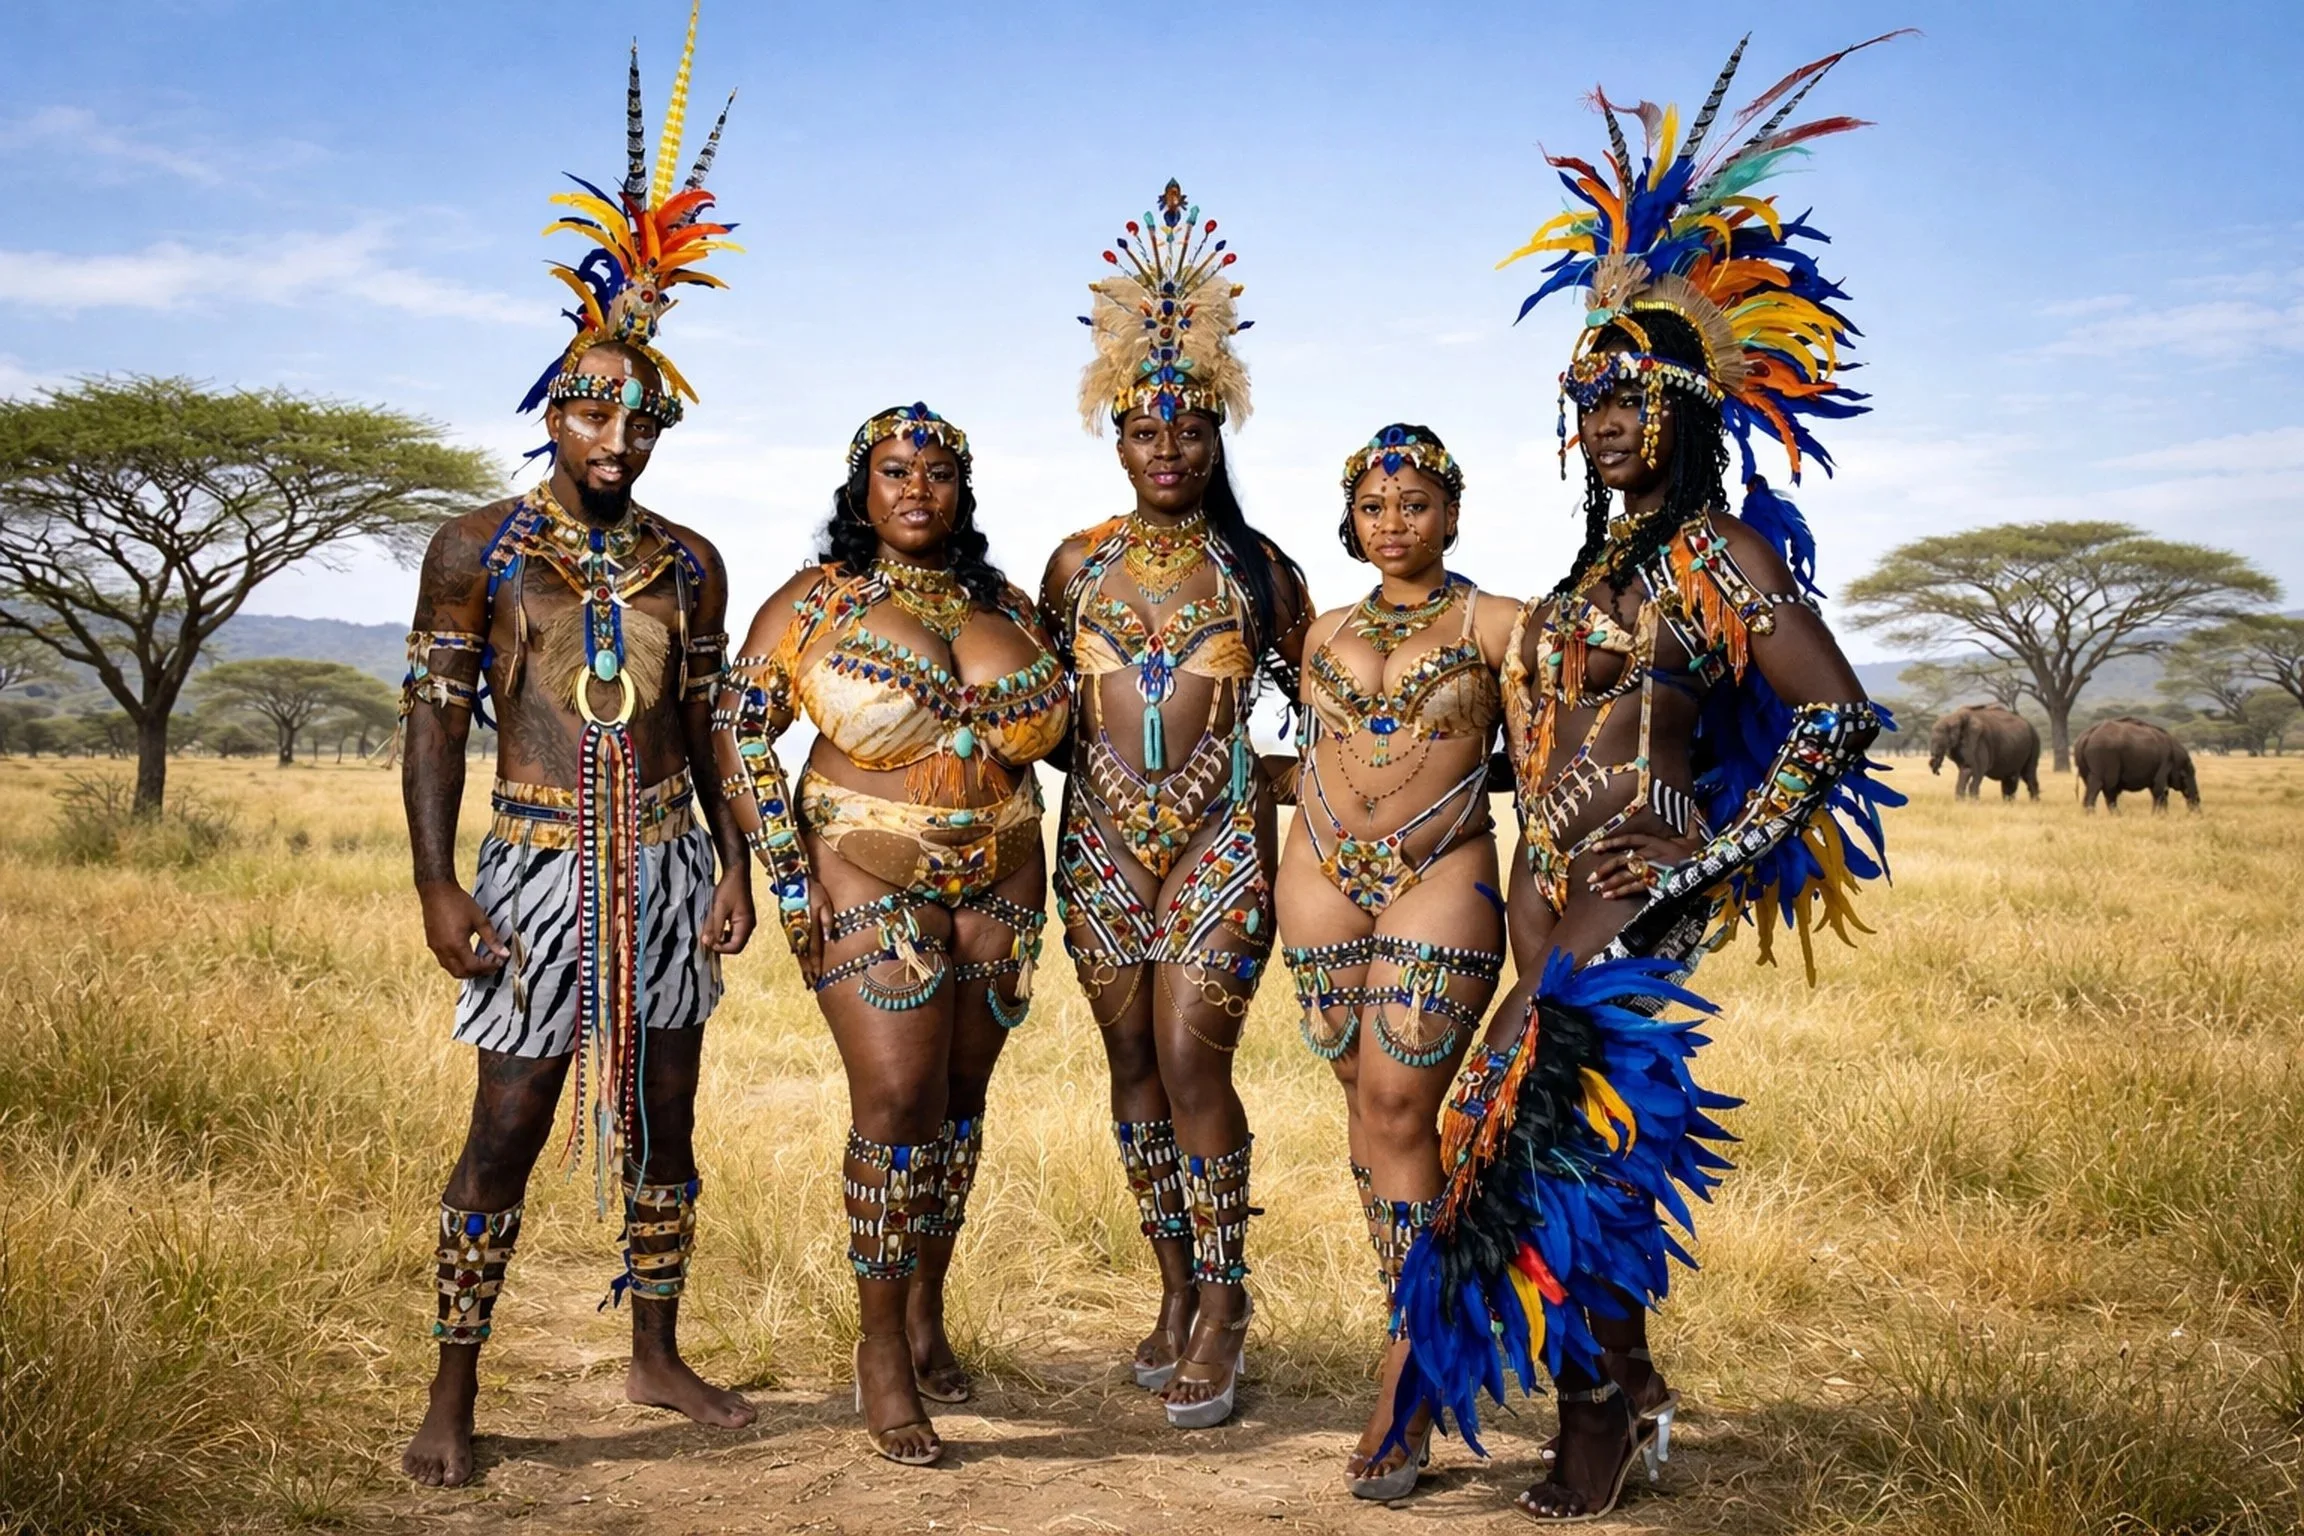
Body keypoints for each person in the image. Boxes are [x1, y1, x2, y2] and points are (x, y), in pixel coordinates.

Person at [1385, 34, 1907, 1520]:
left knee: (1575, 1165)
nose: (1598, 420)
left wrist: (1702, 862)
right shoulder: (1587, 572)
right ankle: (1636, 1385)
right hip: (1545, 903)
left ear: (1684, 403)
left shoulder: (1716, 558)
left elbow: (1831, 720)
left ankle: (1599, 1415)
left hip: (1632, 905)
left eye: (1624, 395)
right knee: (1500, 1151)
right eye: (1582, 398)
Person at [398, 15, 754, 1488]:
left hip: (667, 864)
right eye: (594, 405)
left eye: (643, 413)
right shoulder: (476, 549)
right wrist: (435, 886)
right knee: (508, 1123)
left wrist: (737, 869)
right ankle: (454, 1391)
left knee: (669, 1111)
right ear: (554, 404)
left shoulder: (690, 559)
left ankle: (655, 1351)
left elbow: (715, 725)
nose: (619, 432)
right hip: (535, 865)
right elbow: (428, 722)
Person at [714, 404, 1069, 1466]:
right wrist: (785, 879)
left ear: (962, 489)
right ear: (860, 489)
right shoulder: (816, 601)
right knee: (896, 1100)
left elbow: (1073, 741)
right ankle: (877, 1350)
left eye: (938, 473)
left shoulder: (1005, 602)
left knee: (960, 1107)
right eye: (894, 471)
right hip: (865, 872)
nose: (917, 489)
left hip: (1003, 879)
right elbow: (737, 729)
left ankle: (924, 1313)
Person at [1040, 181, 1311, 1428]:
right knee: (1132, 1066)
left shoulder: (1263, 571)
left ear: (1217, 437)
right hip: (1094, 852)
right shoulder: (1075, 564)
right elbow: (1046, 715)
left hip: (1218, 854)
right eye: (1147, 433)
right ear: (1116, 439)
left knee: (1198, 1066)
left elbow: (1322, 715)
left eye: (1190, 433)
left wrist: (1258, 794)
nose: (1168, 451)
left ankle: (1227, 1303)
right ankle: (1168, 1287)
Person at [1274, 425, 1519, 1496]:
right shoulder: (1323, 629)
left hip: (1442, 873)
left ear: (1454, 511)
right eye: (1376, 506)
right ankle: (1414, 1314)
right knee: (1368, 1115)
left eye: (1415, 502)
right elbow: (1318, 753)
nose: (1394, 523)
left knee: (1401, 1111)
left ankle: (1408, 1367)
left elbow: (1550, 755)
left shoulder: (1501, 624)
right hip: (1318, 874)